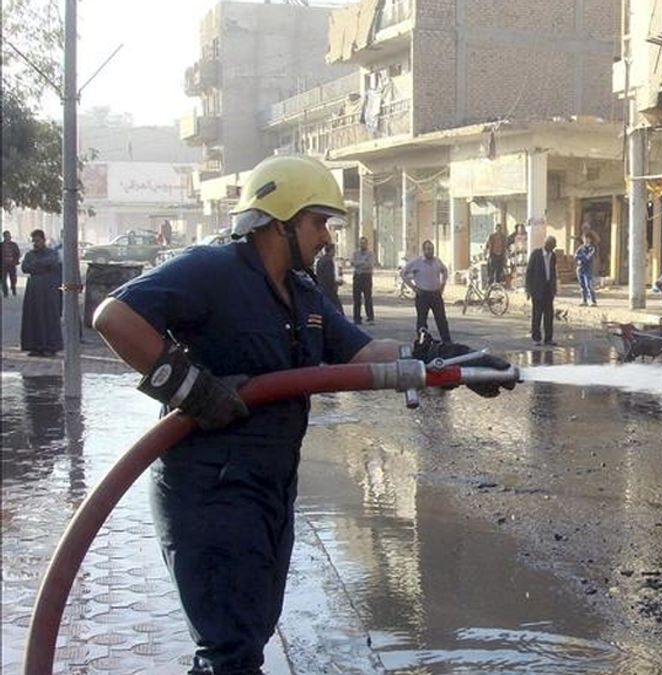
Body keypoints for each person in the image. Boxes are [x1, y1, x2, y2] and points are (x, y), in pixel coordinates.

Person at [91, 155, 512, 674]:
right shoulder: (212, 271)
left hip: (270, 486)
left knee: (250, 637)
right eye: (319, 223)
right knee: (229, 652)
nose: (328, 239)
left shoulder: (303, 294)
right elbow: (114, 315)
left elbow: (359, 355)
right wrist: (192, 390)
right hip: (210, 489)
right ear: (280, 221)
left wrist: (443, 361)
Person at [20, 229, 63, 357]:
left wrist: (37, 265)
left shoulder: (52, 253)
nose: (35, 243)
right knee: (34, 318)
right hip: (33, 292)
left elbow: (52, 263)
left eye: (37, 240)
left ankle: (50, 346)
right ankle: (35, 346)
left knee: (49, 317)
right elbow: (25, 268)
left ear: (43, 240)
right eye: (33, 241)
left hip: (49, 291)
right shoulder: (29, 254)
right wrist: (40, 266)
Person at [401, 239, 452, 342]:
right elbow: (403, 273)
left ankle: (447, 342)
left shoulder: (437, 261)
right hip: (423, 294)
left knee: (441, 319)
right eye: (428, 249)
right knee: (422, 321)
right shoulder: (417, 262)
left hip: (436, 294)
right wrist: (413, 287)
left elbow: (444, 270)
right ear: (423, 250)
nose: (430, 251)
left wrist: (443, 284)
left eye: (432, 249)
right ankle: (422, 342)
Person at [525, 235, 558, 345]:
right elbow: (529, 273)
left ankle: (548, 338)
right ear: (546, 244)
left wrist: (554, 288)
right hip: (537, 289)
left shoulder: (553, 256)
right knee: (537, 315)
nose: (553, 248)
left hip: (548, 288)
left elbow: (553, 273)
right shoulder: (536, 254)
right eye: (552, 245)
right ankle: (536, 338)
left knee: (549, 315)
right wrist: (528, 290)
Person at [350, 236, 376, 324]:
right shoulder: (355, 253)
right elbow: (352, 262)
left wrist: (359, 264)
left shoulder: (370, 254)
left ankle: (370, 317)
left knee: (368, 298)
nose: (362, 245)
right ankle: (357, 318)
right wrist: (363, 262)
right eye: (361, 243)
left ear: (367, 244)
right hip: (357, 277)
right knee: (356, 298)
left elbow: (370, 265)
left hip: (366, 277)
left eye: (364, 243)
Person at [314, 242, 342, 314]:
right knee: (337, 307)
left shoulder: (320, 260)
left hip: (321, 286)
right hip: (328, 288)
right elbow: (329, 276)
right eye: (334, 250)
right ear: (331, 250)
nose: (334, 252)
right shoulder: (328, 261)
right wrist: (335, 284)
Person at [574, 231, 598, 307]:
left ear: (590, 240)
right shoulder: (580, 248)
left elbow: (588, 257)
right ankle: (584, 300)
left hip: (588, 269)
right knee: (582, 286)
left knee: (589, 285)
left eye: (588, 238)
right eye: (585, 238)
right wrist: (582, 257)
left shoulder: (592, 248)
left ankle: (593, 301)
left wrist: (581, 258)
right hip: (580, 269)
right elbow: (575, 256)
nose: (586, 240)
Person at [2, 230, 20, 297]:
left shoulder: (14, 245)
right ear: (4, 237)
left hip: (12, 264)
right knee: (3, 279)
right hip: (3, 265)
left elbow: (17, 253)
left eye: (9, 236)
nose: (8, 237)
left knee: (13, 278)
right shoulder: (1, 245)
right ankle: (5, 292)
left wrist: (16, 261)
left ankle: (13, 288)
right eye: (7, 236)